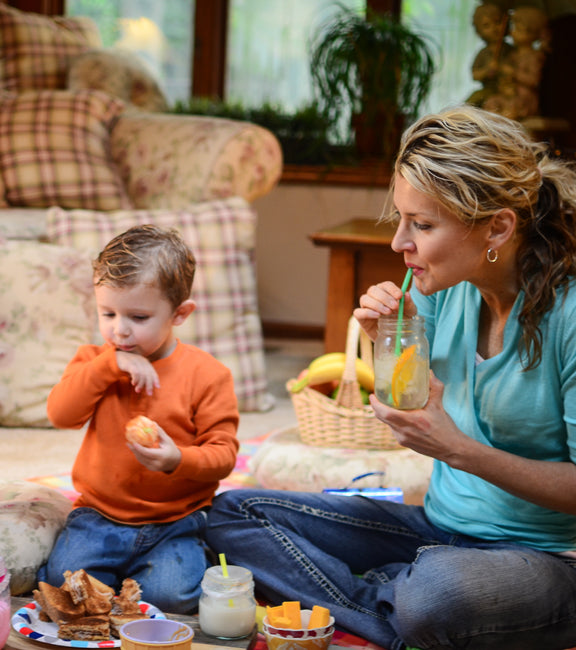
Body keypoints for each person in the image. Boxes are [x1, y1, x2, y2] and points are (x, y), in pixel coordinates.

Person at [206, 105, 576, 650]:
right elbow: (403, 404)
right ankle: (394, 603)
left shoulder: (568, 317)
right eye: (402, 218)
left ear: (498, 226)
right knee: (233, 513)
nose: (400, 242)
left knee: (436, 598)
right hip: (438, 530)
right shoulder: (447, 286)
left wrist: (458, 450)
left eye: (422, 225)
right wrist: (388, 339)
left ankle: (397, 599)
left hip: (548, 559)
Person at [40, 224, 239, 613]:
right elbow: (60, 415)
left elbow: (223, 455)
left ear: (180, 314)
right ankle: (116, 581)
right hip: (98, 515)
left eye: (138, 316)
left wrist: (177, 460)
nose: (120, 329)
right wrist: (109, 365)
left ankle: (194, 557)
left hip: (175, 521)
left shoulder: (208, 375)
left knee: (171, 598)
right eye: (108, 313)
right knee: (63, 588)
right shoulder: (94, 362)